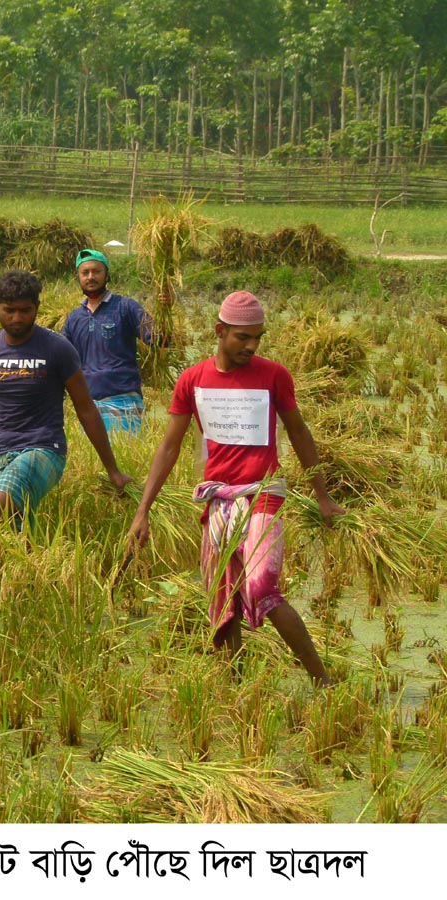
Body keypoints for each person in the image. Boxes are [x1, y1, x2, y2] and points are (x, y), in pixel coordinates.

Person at [128, 291, 345, 686]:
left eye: (257, 337)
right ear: (219, 331)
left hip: (264, 492)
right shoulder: (193, 379)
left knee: (261, 584)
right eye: (242, 337)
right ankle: (234, 685)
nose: (251, 346)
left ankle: (322, 680)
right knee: (222, 597)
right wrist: (143, 510)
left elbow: (298, 433)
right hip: (218, 499)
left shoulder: (273, 375)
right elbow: (170, 446)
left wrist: (323, 495)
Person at [0, 270, 132, 529]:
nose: (17, 318)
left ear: (37, 307)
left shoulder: (57, 348)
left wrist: (113, 470)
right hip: (3, 453)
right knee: (10, 527)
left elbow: (86, 410)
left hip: (45, 449)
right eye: (9, 310)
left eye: (26, 310)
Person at [63, 248, 159, 436]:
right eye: (85, 272)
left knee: (127, 461)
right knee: (94, 463)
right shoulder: (74, 318)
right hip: (88, 405)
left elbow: (158, 339)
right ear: (79, 277)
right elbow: (62, 361)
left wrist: (165, 309)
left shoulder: (125, 307)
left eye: (96, 271)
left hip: (124, 402)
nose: (91, 277)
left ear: (107, 275)